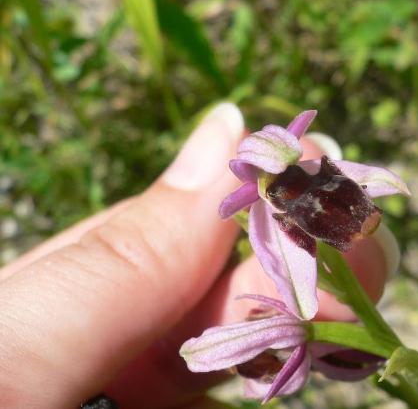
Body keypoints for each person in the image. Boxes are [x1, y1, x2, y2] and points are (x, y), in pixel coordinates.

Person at [0, 104, 392, 409]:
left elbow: (372, 178)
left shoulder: (298, 180)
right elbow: (291, 279)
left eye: (288, 170)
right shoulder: (265, 217)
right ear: (254, 188)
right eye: (277, 180)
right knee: (309, 309)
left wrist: (376, 183)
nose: (289, 179)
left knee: (315, 307)